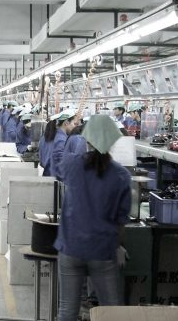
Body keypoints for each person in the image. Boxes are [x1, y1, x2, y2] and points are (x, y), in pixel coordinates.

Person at [54, 115, 130, 321]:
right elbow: (121, 221)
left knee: (67, 310)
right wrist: (118, 246)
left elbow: (55, 166)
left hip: (71, 247)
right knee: (111, 311)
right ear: (114, 141)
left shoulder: (72, 164)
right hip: (102, 249)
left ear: (86, 139)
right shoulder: (121, 175)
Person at [52, 109, 79, 182]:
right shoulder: (61, 140)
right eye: (74, 123)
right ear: (66, 123)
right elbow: (61, 163)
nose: (74, 127)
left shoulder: (61, 136)